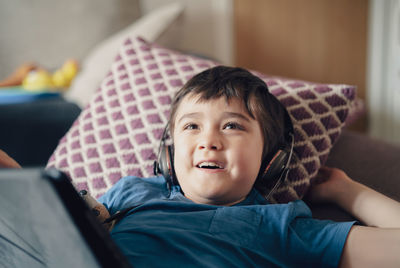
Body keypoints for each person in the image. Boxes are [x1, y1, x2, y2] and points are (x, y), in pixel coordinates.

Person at [1, 66, 400, 267]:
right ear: (167, 153)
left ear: (273, 162)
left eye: (232, 126)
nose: (209, 140)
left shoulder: (280, 225)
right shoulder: (132, 191)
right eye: (191, 126)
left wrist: (348, 190)